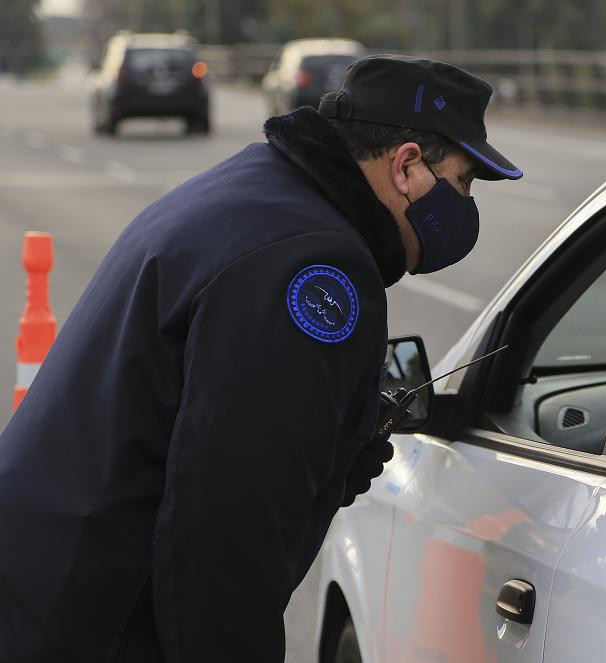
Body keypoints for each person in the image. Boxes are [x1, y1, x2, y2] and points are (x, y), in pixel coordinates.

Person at [0, 55, 522, 662]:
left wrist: (335, 443)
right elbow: (227, 531)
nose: (465, 203)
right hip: (97, 622)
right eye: (462, 182)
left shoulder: (259, 190)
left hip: (45, 592)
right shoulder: (313, 267)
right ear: (406, 165)